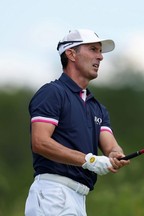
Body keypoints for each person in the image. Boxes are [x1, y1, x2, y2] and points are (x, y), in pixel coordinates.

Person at [25, 29, 130, 216]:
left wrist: (115, 155)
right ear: (71, 53)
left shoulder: (97, 107)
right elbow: (39, 143)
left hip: (79, 198)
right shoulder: (52, 93)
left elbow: (111, 147)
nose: (100, 57)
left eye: (100, 51)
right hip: (53, 193)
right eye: (93, 49)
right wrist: (89, 160)